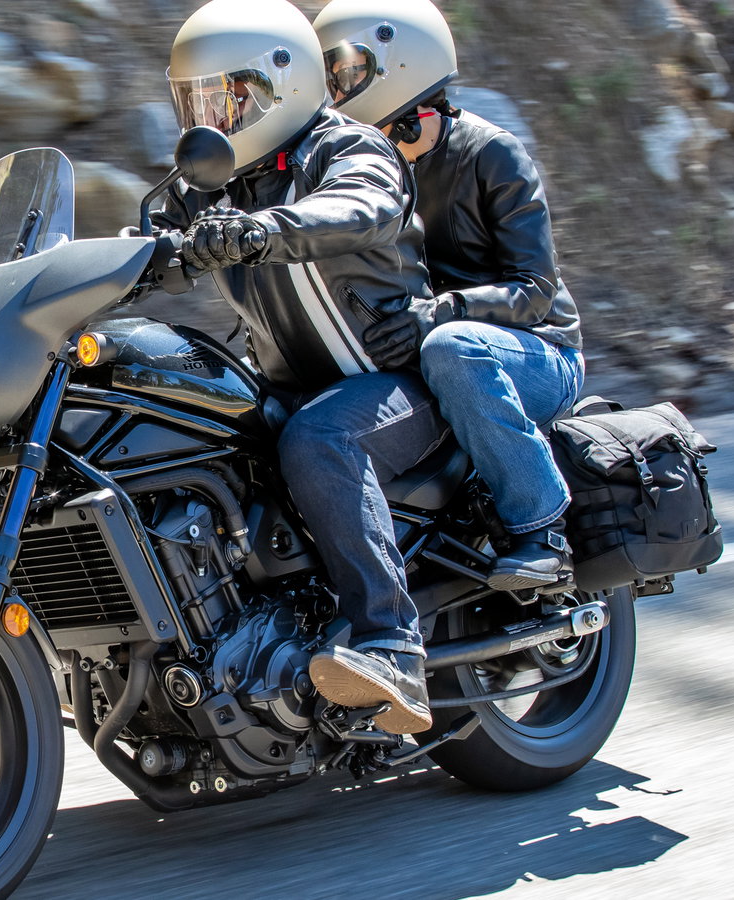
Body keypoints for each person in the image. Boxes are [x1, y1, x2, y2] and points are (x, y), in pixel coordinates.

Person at [155, 0, 440, 734]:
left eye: (228, 97)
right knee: (188, 431)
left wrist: (259, 231)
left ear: (281, 86)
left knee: (320, 440)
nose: (211, 117)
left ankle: (391, 644)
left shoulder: (346, 149)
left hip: (394, 387)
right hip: (291, 389)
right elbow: (149, 235)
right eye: (196, 102)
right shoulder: (212, 182)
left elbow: (362, 206)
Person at [314, 0, 585, 591]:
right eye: (329, 76)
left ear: (403, 69)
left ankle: (542, 528)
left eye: (349, 72)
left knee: (453, 348)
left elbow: (535, 292)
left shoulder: (493, 154)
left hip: (534, 353)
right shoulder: (359, 169)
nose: (337, 89)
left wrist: (442, 312)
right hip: (436, 346)